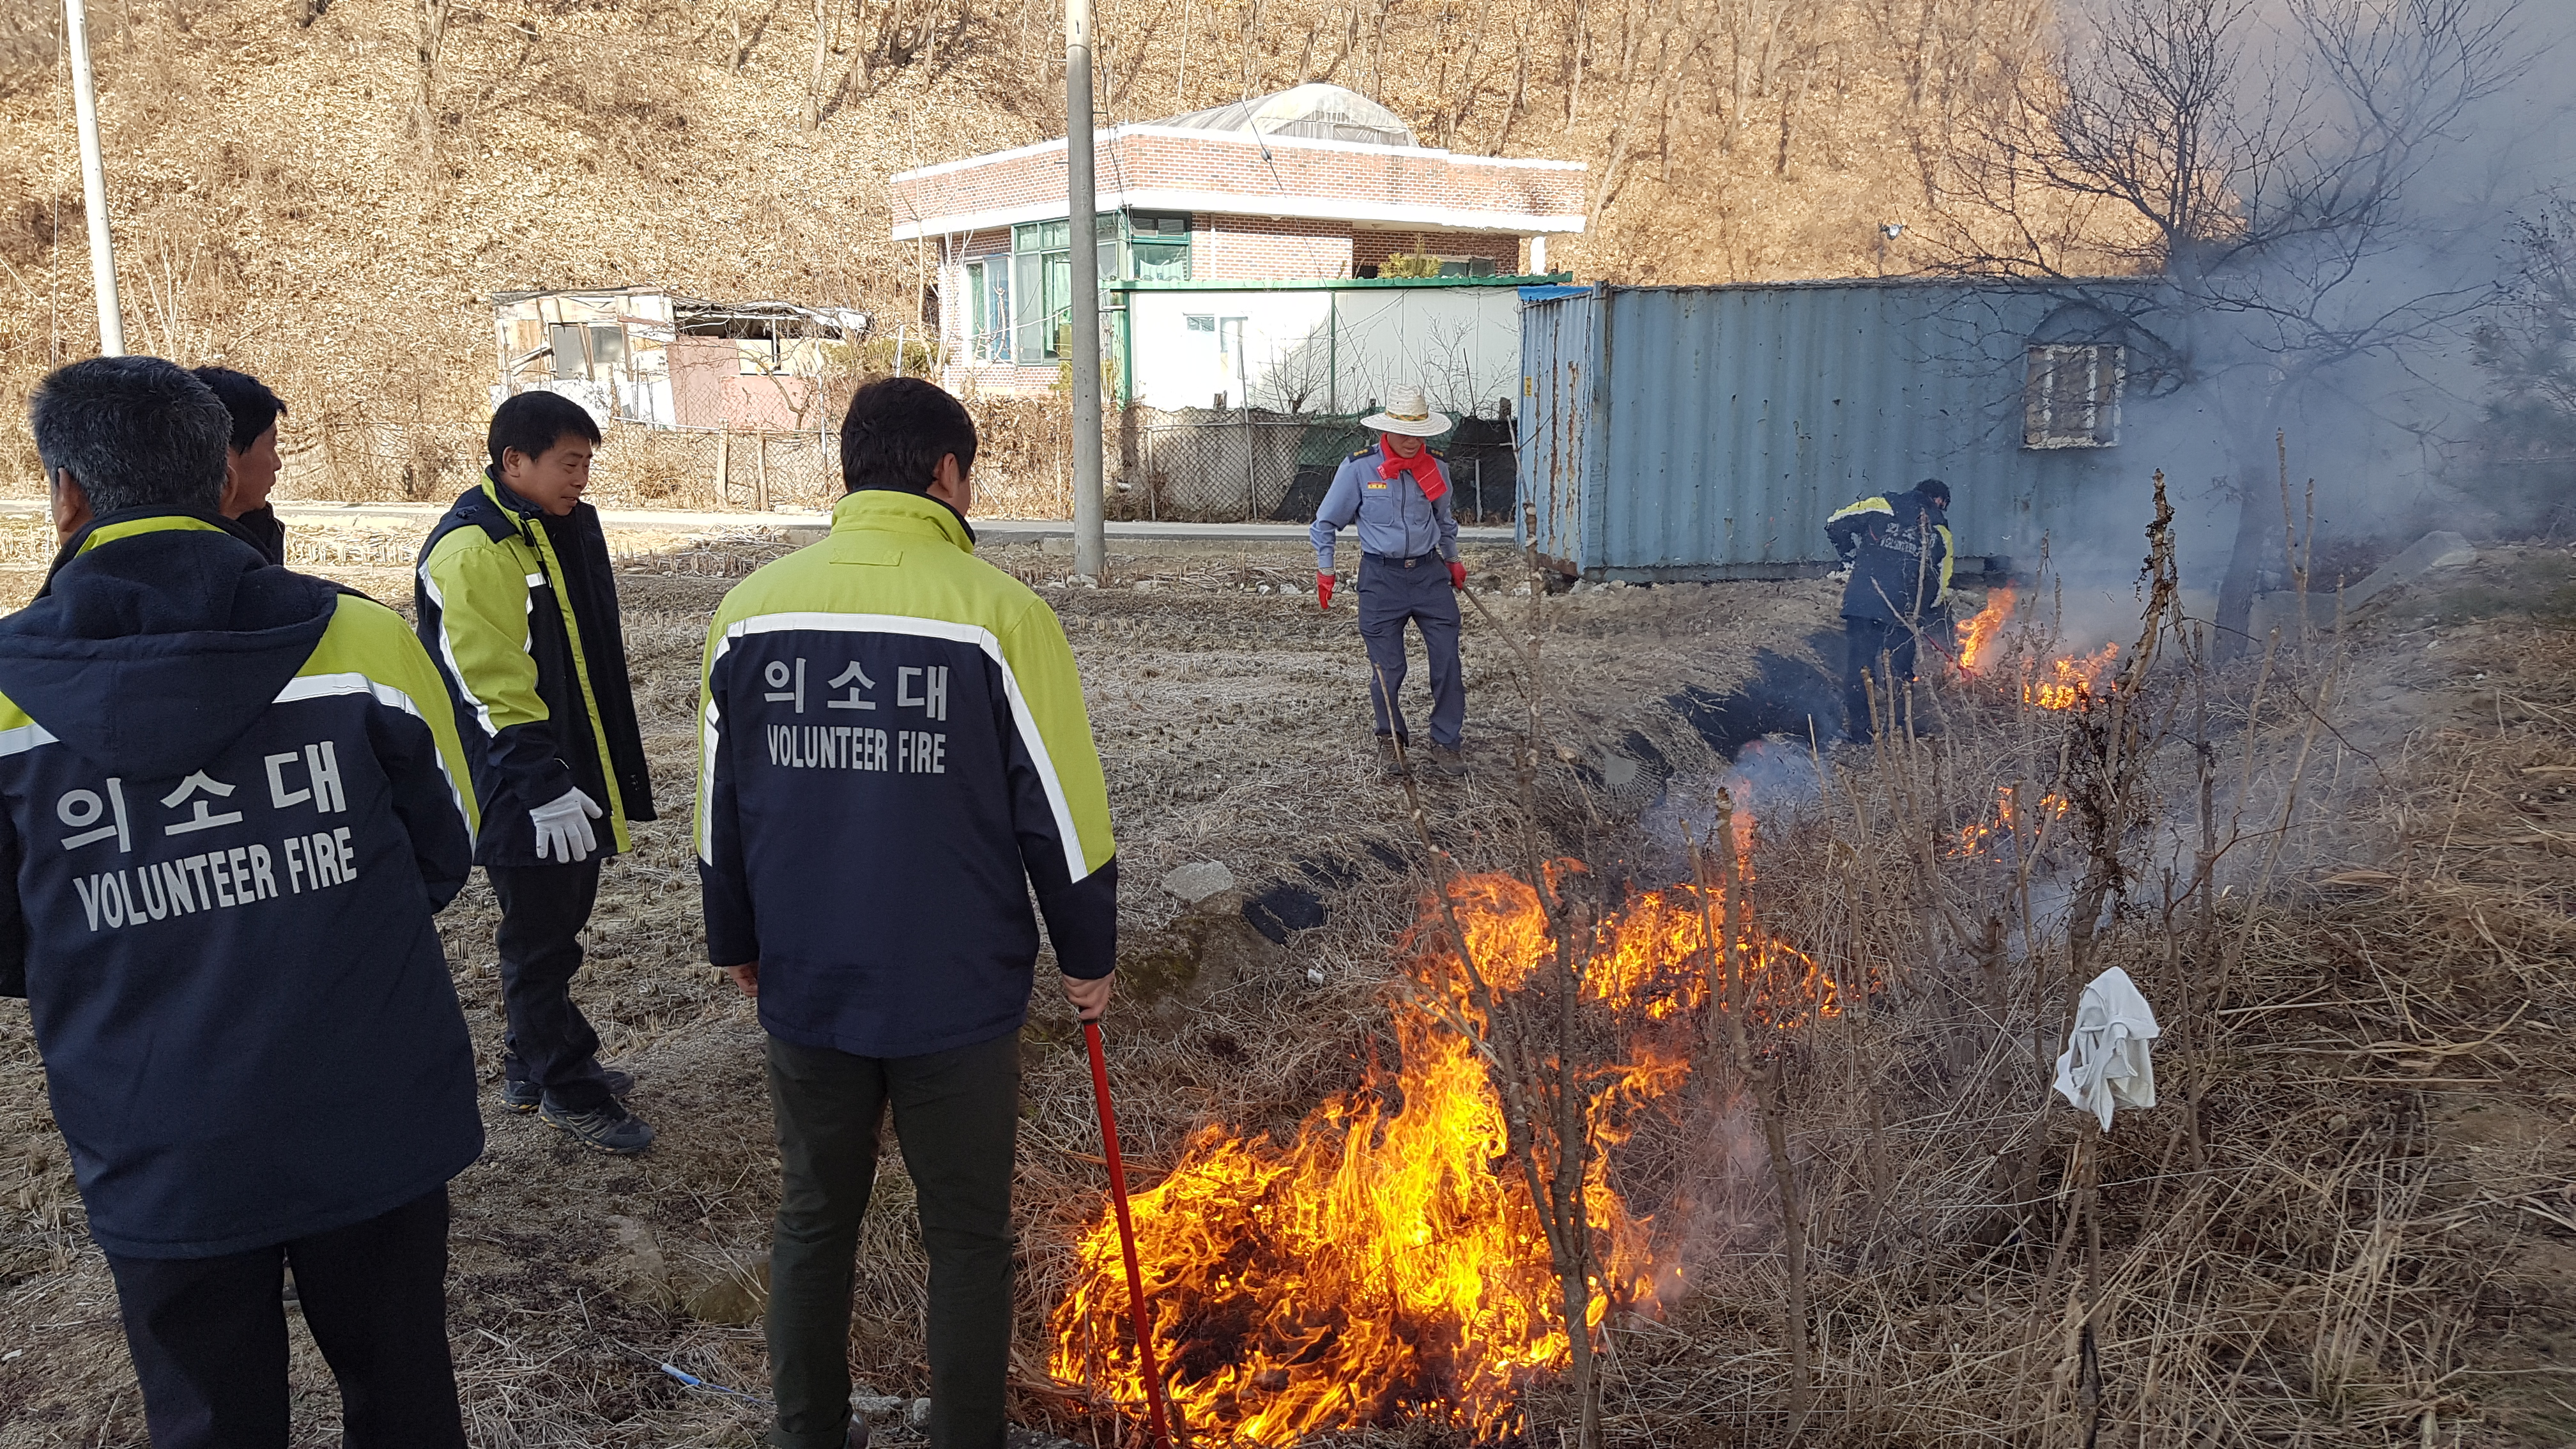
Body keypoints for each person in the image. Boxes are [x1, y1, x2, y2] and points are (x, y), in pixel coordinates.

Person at [0, 356, 484, 1447]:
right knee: (406, 1397)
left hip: (154, 1133)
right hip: (373, 1111)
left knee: (210, 1419)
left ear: (66, 494)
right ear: (226, 479)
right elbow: (446, 845)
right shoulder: (360, 641)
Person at [696, 377, 1117, 1449]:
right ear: (946, 472)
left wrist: (735, 937)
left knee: (813, 1219)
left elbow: (720, 801)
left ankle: (807, 1432)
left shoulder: (751, 612)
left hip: (808, 980)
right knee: (968, 1234)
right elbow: (1063, 812)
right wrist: (1088, 950)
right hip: (955, 993)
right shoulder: (999, 615)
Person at [417, 391, 657, 1154]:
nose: (581, 478)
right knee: (541, 940)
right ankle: (565, 1085)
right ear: (513, 461)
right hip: (520, 783)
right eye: (569, 463)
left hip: (561, 769)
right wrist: (543, 786)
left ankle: (530, 1062)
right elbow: (490, 685)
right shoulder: (476, 550)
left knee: (554, 928)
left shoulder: (547, 528)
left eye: (587, 464)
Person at [1309, 383, 1468, 780]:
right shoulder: (1358, 469)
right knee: (1388, 667)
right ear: (1386, 430)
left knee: (1447, 659)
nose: (1412, 442)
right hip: (1382, 578)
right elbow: (1325, 523)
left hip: (1430, 575)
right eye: (1404, 433)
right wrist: (1326, 569)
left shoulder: (1436, 468)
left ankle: (1446, 741)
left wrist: (1452, 560)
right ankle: (1391, 739)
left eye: (1419, 434)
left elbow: (1444, 520)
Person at [1825, 477, 1954, 742]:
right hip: (1903, 614)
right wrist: (1923, 611)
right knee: (1900, 672)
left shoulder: (1880, 505)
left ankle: (1861, 734)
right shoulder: (1940, 530)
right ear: (1939, 500)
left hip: (1863, 603)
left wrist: (1849, 557)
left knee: (1860, 669)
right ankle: (1898, 732)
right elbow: (1941, 582)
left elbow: (1835, 522)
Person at [192, 365, 289, 564]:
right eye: (272, 445)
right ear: (222, 458)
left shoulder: (261, 532)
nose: (277, 464)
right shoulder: (202, 563)